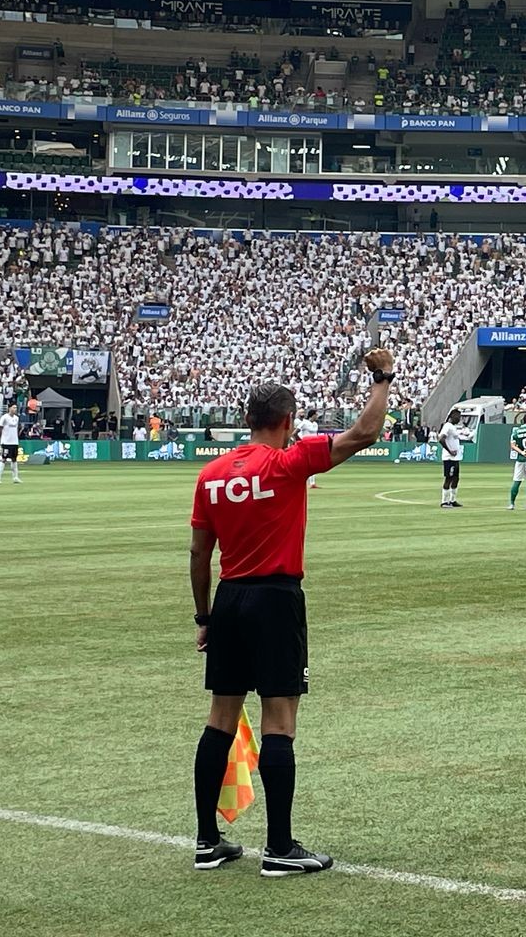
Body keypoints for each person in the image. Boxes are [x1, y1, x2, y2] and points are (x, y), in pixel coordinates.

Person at [188, 347, 395, 877]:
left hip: (229, 598)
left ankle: (207, 841)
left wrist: (204, 617)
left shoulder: (211, 474)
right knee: (279, 720)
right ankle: (278, 846)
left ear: (246, 419)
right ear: (288, 421)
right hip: (276, 598)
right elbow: (364, 433)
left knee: (220, 719)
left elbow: (198, 553)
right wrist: (383, 379)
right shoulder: (289, 461)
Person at [438, 409, 464, 508]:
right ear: (452, 416)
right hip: (449, 458)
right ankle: (444, 501)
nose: (459, 419)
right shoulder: (447, 426)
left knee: (456, 478)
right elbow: (441, 439)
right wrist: (450, 451)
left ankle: (453, 500)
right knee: (449, 478)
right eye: (458, 417)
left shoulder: (453, 427)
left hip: (455, 458)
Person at [294, 411, 320, 490]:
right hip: (306, 446)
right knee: (306, 464)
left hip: (314, 446)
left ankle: (312, 483)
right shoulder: (304, 423)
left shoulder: (315, 424)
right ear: (312, 415)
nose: (317, 416)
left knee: (313, 464)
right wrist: (301, 441)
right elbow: (295, 433)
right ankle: (302, 481)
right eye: (316, 414)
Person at [1, 403, 20, 484]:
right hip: (6, 442)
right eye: (13, 407)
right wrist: (1, 438)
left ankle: (15, 477)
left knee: (14, 459)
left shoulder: (16, 418)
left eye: (16, 408)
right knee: (3, 459)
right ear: (9, 408)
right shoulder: (4, 417)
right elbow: (0, 427)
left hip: (14, 442)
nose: (15, 409)